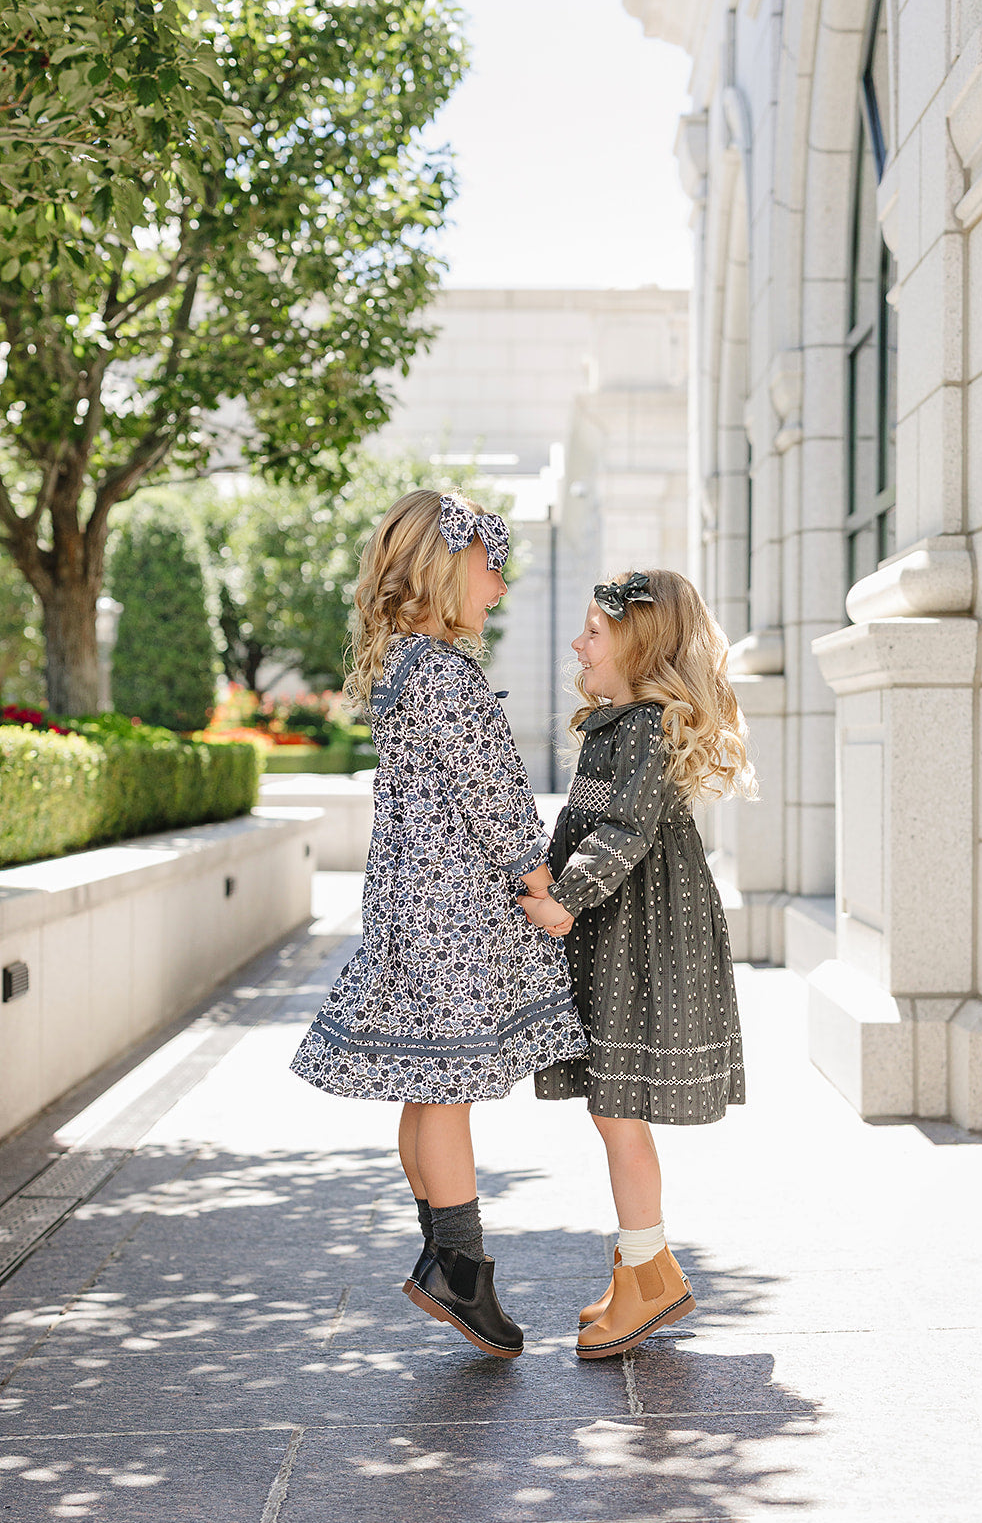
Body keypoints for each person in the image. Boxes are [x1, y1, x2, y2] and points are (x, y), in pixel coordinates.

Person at [292, 489, 587, 1360]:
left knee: (426, 1083)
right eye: (490, 568)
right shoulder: (445, 675)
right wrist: (537, 881)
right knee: (449, 1085)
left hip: (409, 903)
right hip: (451, 908)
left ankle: (442, 1257)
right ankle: (459, 1268)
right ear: (444, 569)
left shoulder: (402, 664)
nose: (499, 588)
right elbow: (492, 794)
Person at [520, 569, 756, 1360]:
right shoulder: (616, 724)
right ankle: (639, 1268)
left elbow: (622, 831)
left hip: (639, 941)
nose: (577, 644)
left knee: (618, 1110)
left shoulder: (646, 726)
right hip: (618, 934)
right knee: (610, 1108)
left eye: (594, 632)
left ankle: (649, 1273)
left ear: (640, 647)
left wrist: (564, 899)